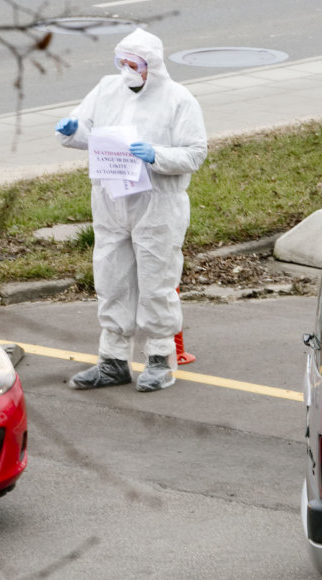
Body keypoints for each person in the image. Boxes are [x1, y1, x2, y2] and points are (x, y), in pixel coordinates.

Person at [54, 28, 208, 393]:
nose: (126, 69)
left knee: (157, 281)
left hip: (157, 204)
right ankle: (113, 361)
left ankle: (159, 359)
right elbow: (82, 131)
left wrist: (156, 155)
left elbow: (195, 152)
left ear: (151, 66)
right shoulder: (107, 89)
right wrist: (70, 131)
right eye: (121, 61)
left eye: (133, 63)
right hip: (111, 200)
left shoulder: (178, 100)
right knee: (111, 279)